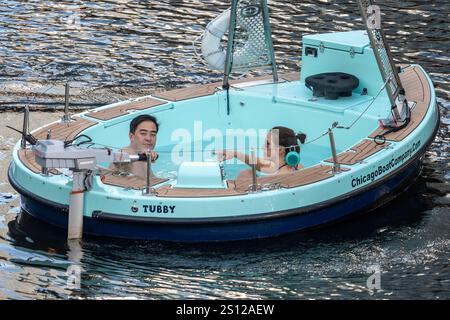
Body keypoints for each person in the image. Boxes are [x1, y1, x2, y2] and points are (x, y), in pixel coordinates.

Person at [216, 126, 306, 180]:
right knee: (247, 173)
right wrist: (235, 154)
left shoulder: (277, 179)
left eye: (267, 143)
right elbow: (259, 163)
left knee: (245, 175)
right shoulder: (296, 165)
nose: (263, 147)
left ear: (280, 150)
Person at [110, 114, 159, 179]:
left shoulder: (144, 156)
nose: (149, 138)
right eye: (143, 133)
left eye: (153, 134)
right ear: (131, 136)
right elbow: (118, 159)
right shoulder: (126, 152)